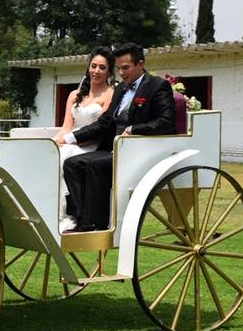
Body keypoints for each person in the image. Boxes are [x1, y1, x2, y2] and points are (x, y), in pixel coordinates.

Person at [61, 42, 175, 232]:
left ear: (140, 64)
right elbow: (104, 123)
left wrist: (133, 129)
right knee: (72, 163)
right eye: (119, 69)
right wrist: (71, 137)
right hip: (112, 148)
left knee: (93, 165)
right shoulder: (121, 89)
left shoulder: (157, 86)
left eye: (126, 68)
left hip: (136, 150)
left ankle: (95, 223)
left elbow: (166, 122)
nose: (121, 73)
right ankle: (80, 218)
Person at [55, 47, 114, 231]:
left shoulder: (110, 94)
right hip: (70, 140)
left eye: (102, 68)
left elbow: (101, 130)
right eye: (93, 66)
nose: (96, 71)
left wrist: (70, 141)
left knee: (65, 158)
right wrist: (54, 142)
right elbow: (66, 127)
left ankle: (68, 215)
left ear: (109, 71)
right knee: (51, 155)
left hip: (91, 144)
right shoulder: (74, 95)